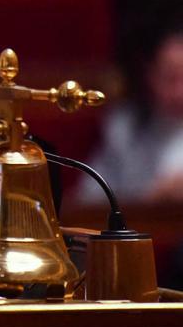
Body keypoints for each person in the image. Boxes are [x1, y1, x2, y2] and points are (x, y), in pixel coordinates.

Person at [76, 27, 183, 206]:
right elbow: (88, 202)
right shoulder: (124, 128)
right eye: (171, 78)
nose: (180, 91)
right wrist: (153, 198)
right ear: (151, 75)